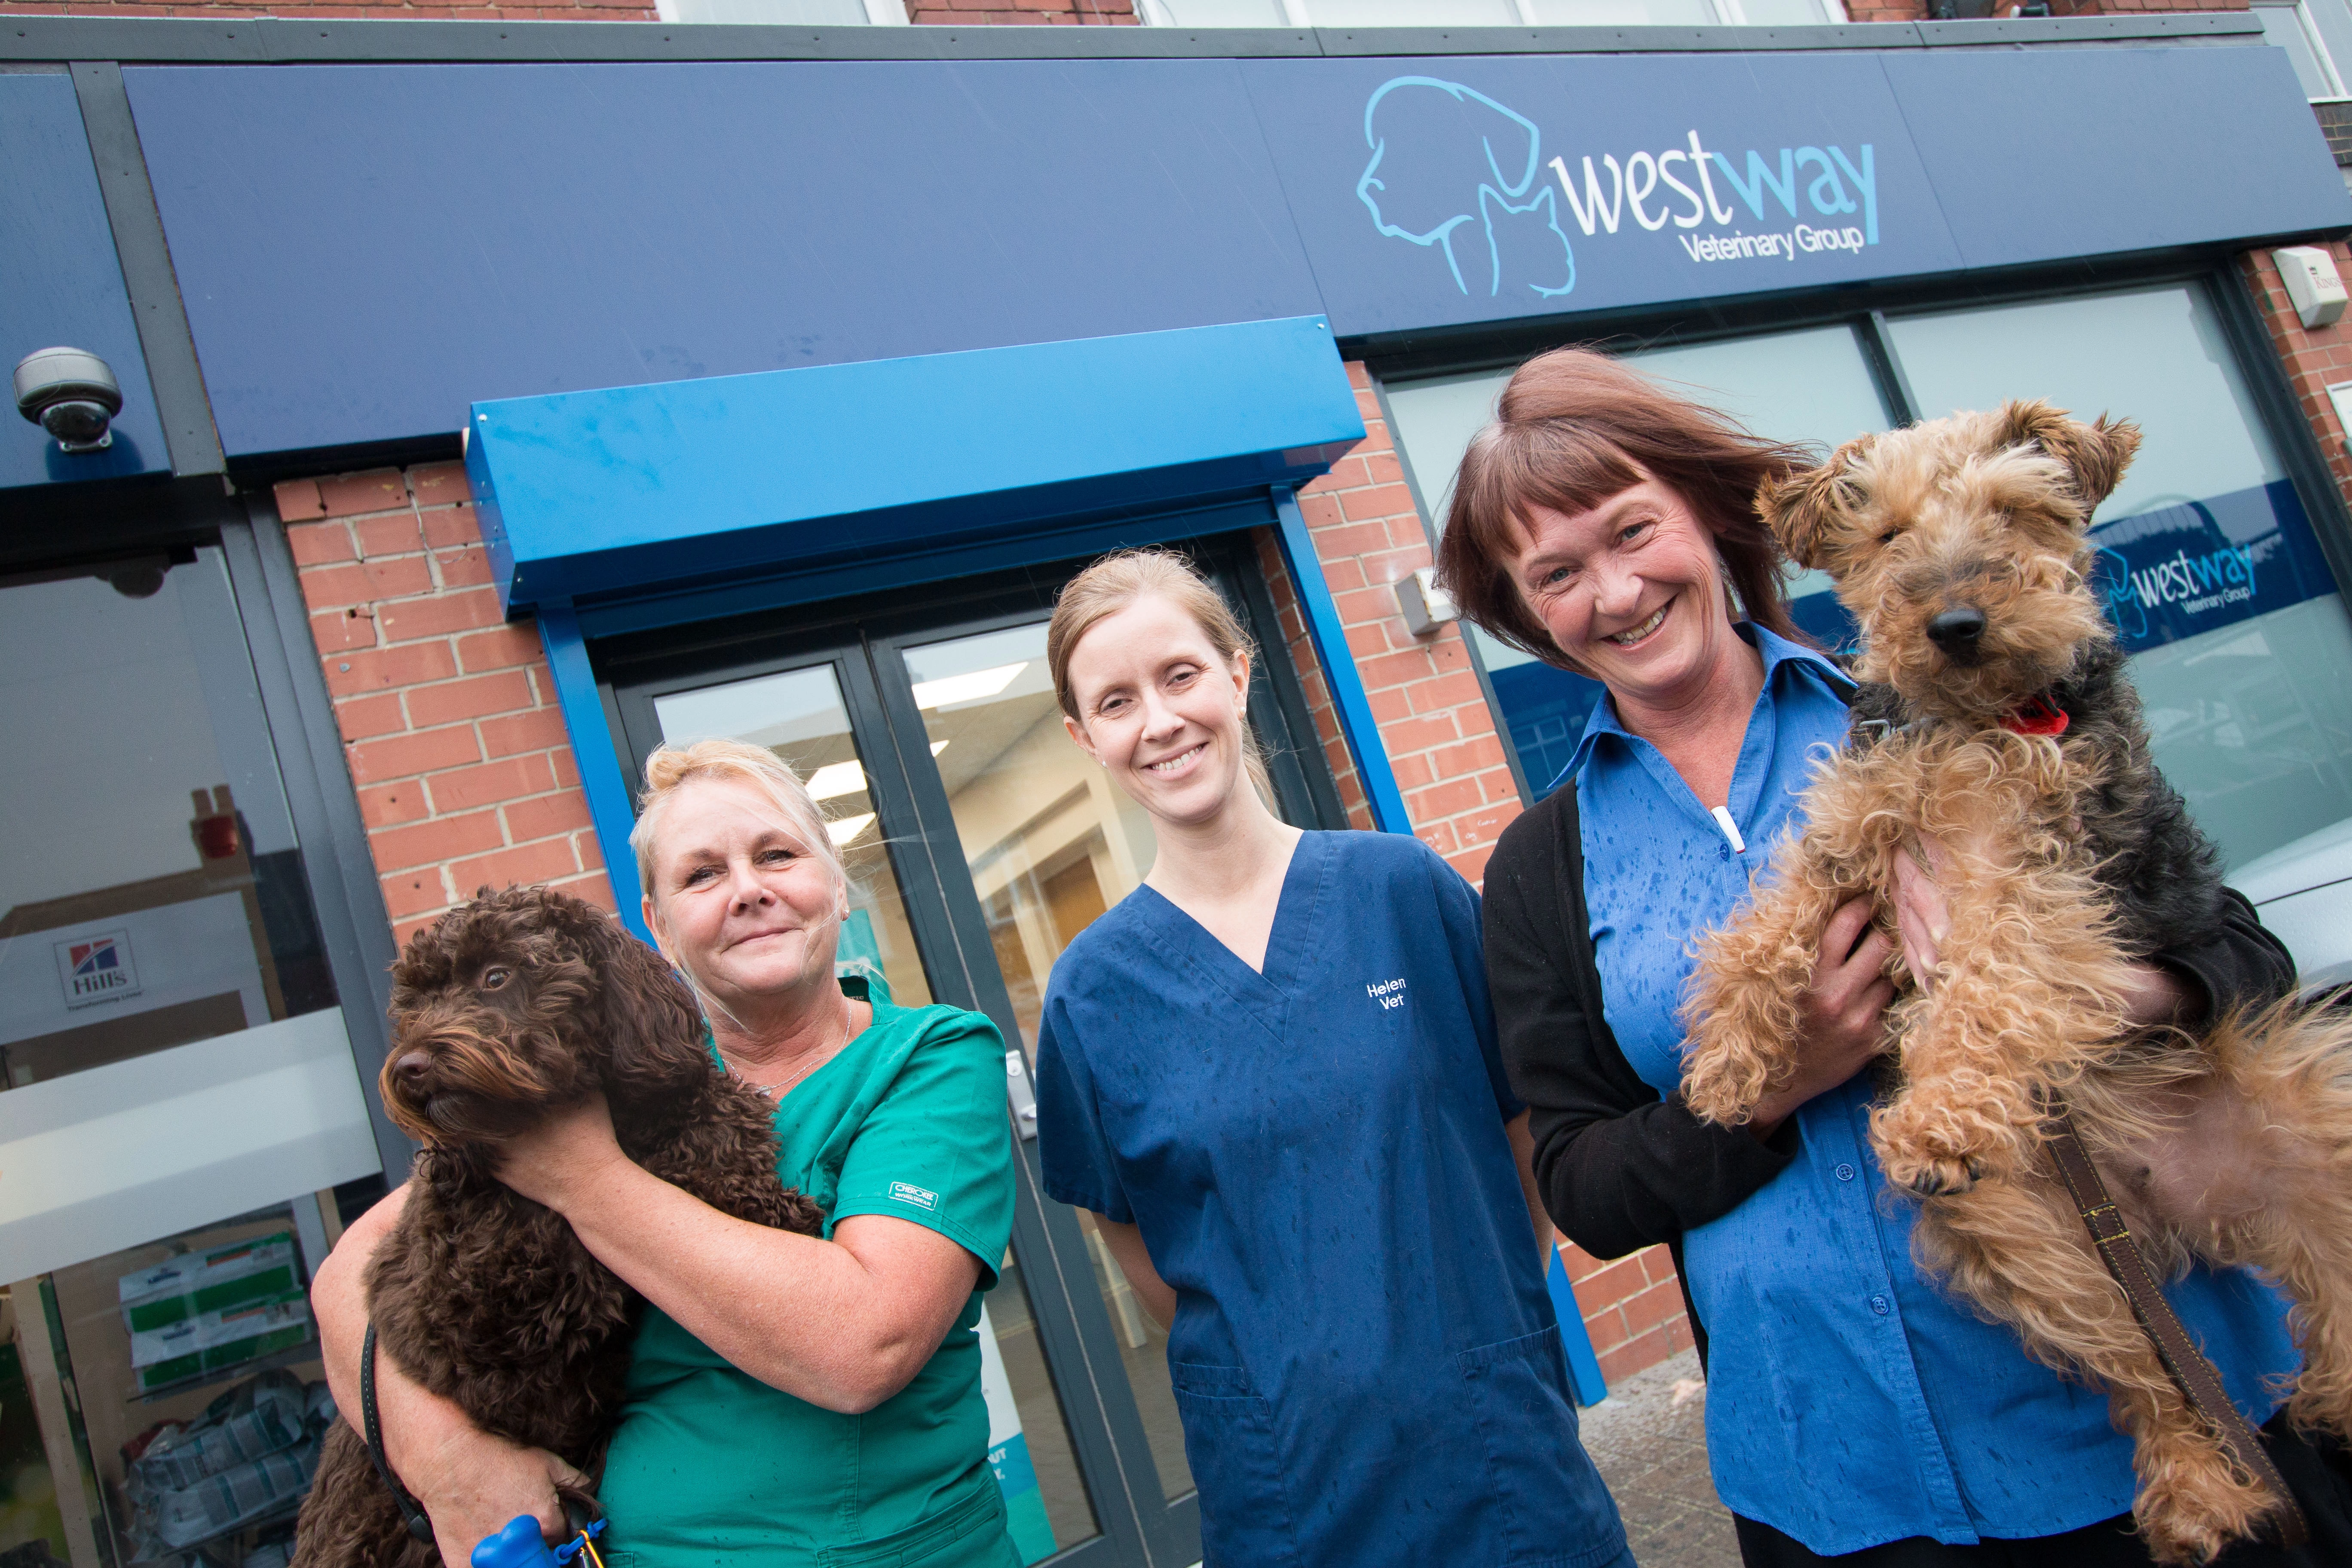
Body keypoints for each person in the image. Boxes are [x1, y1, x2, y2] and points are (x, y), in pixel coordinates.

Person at [1438, 346, 2348, 1566]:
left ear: (1708, 520)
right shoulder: (1542, 865)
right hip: (1836, 1475)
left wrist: (2115, 995)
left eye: (1631, 531)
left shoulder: (1959, 692)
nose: (1613, 591)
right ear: (1522, 611)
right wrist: (1782, 1081)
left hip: (2145, 1407)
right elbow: (1586, 1188)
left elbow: (2238, 951)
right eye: (1557, 572)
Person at [1028, 548, 1632, 1568]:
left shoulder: (1402, 894)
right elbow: (1138, 1246)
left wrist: (1470, 1326)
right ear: (1086, 737)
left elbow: (1520, 1136)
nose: (1162, 722)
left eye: (1180, 676)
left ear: (1238, 674)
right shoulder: (1093, 994)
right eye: (1118, 702)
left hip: (1497, 1457)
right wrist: (1291, 1355)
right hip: (1285, 1494)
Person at [310, 738, 1021, 1568]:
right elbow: (344, 1282)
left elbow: (865, 1348)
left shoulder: (931, 1059)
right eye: (702, 875)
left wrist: (582, 1178)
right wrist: (448, 1463)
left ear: (831, 879)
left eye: (776, 856)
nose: (749, 891)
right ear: (659, 925)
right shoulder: (614, 1088)